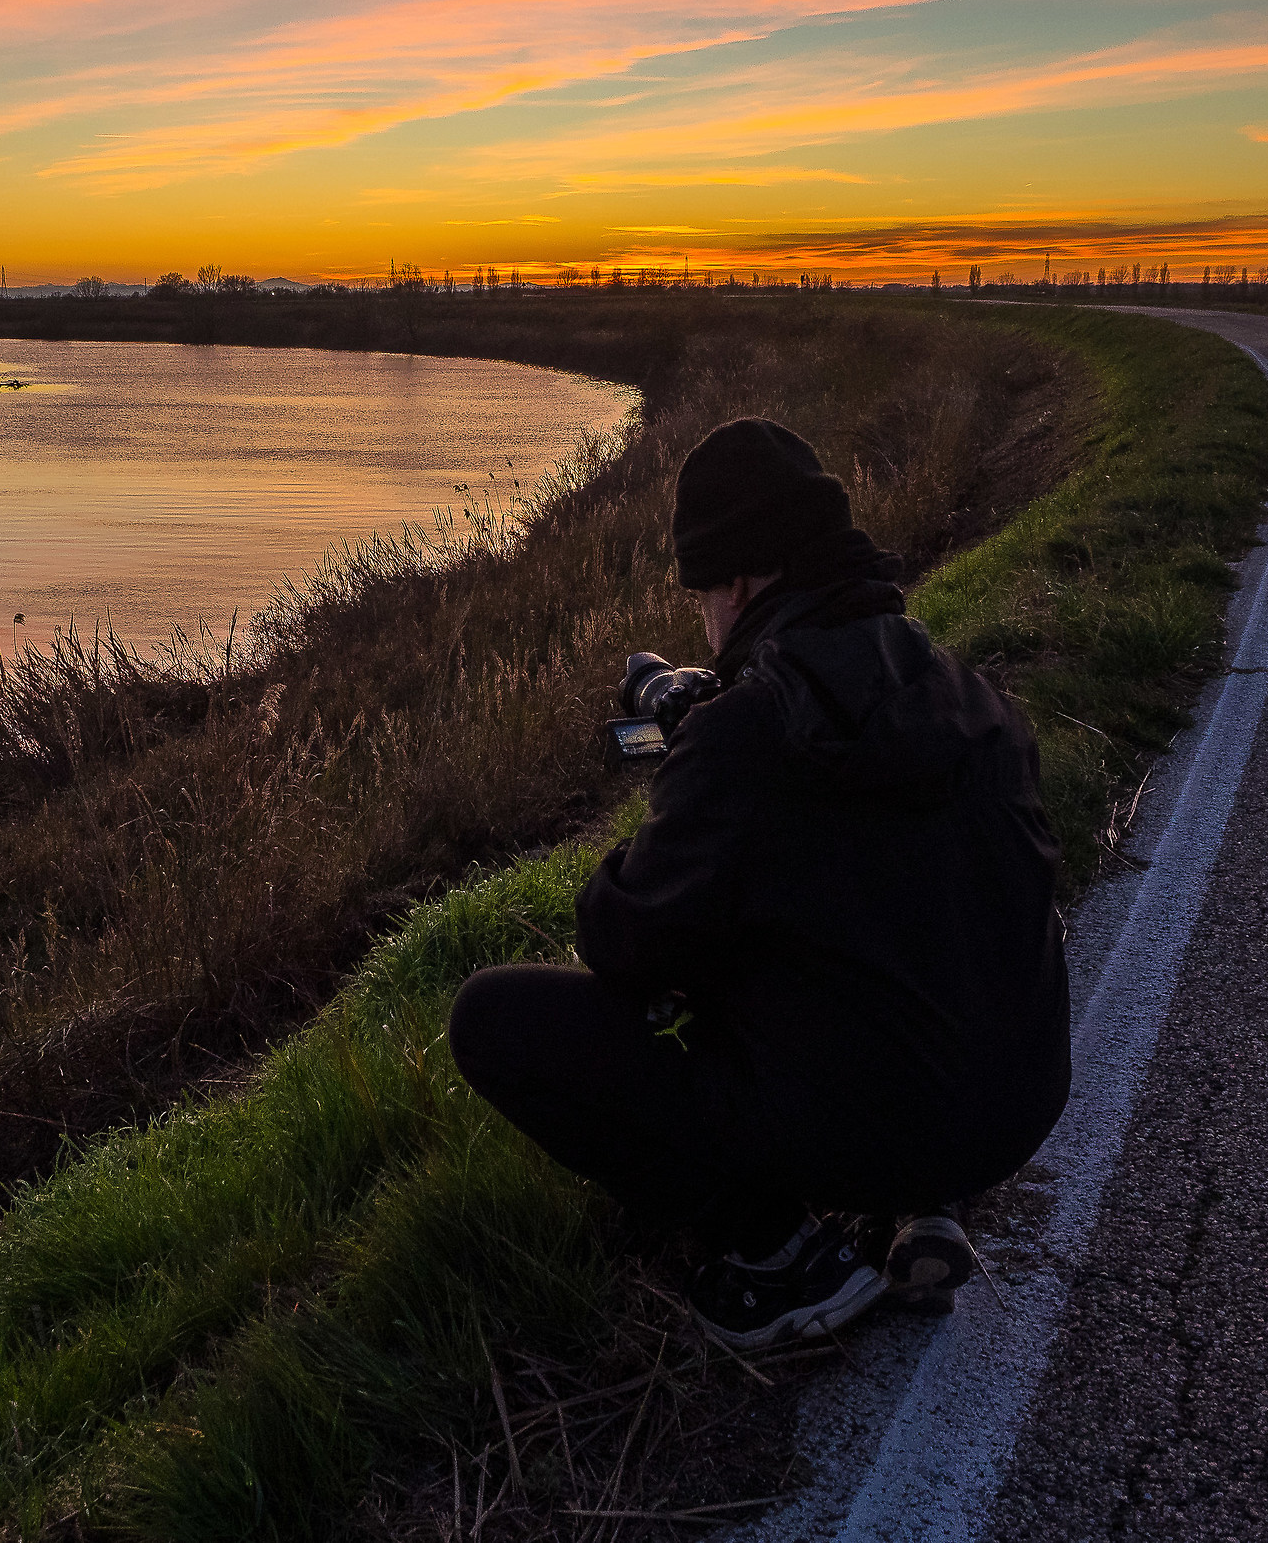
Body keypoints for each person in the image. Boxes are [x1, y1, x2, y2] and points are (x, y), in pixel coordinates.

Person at [448, 417, 1070, 1348]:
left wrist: (683, 785)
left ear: (737, 582)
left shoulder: (750, 732)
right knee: (886, 914)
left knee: (493, 1019)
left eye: (702, 596)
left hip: (884, 1118)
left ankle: (783, 1257)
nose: (703, 619)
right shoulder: (967, 692)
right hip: (1021, 1103)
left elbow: (621, 941)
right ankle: (923, 1199)